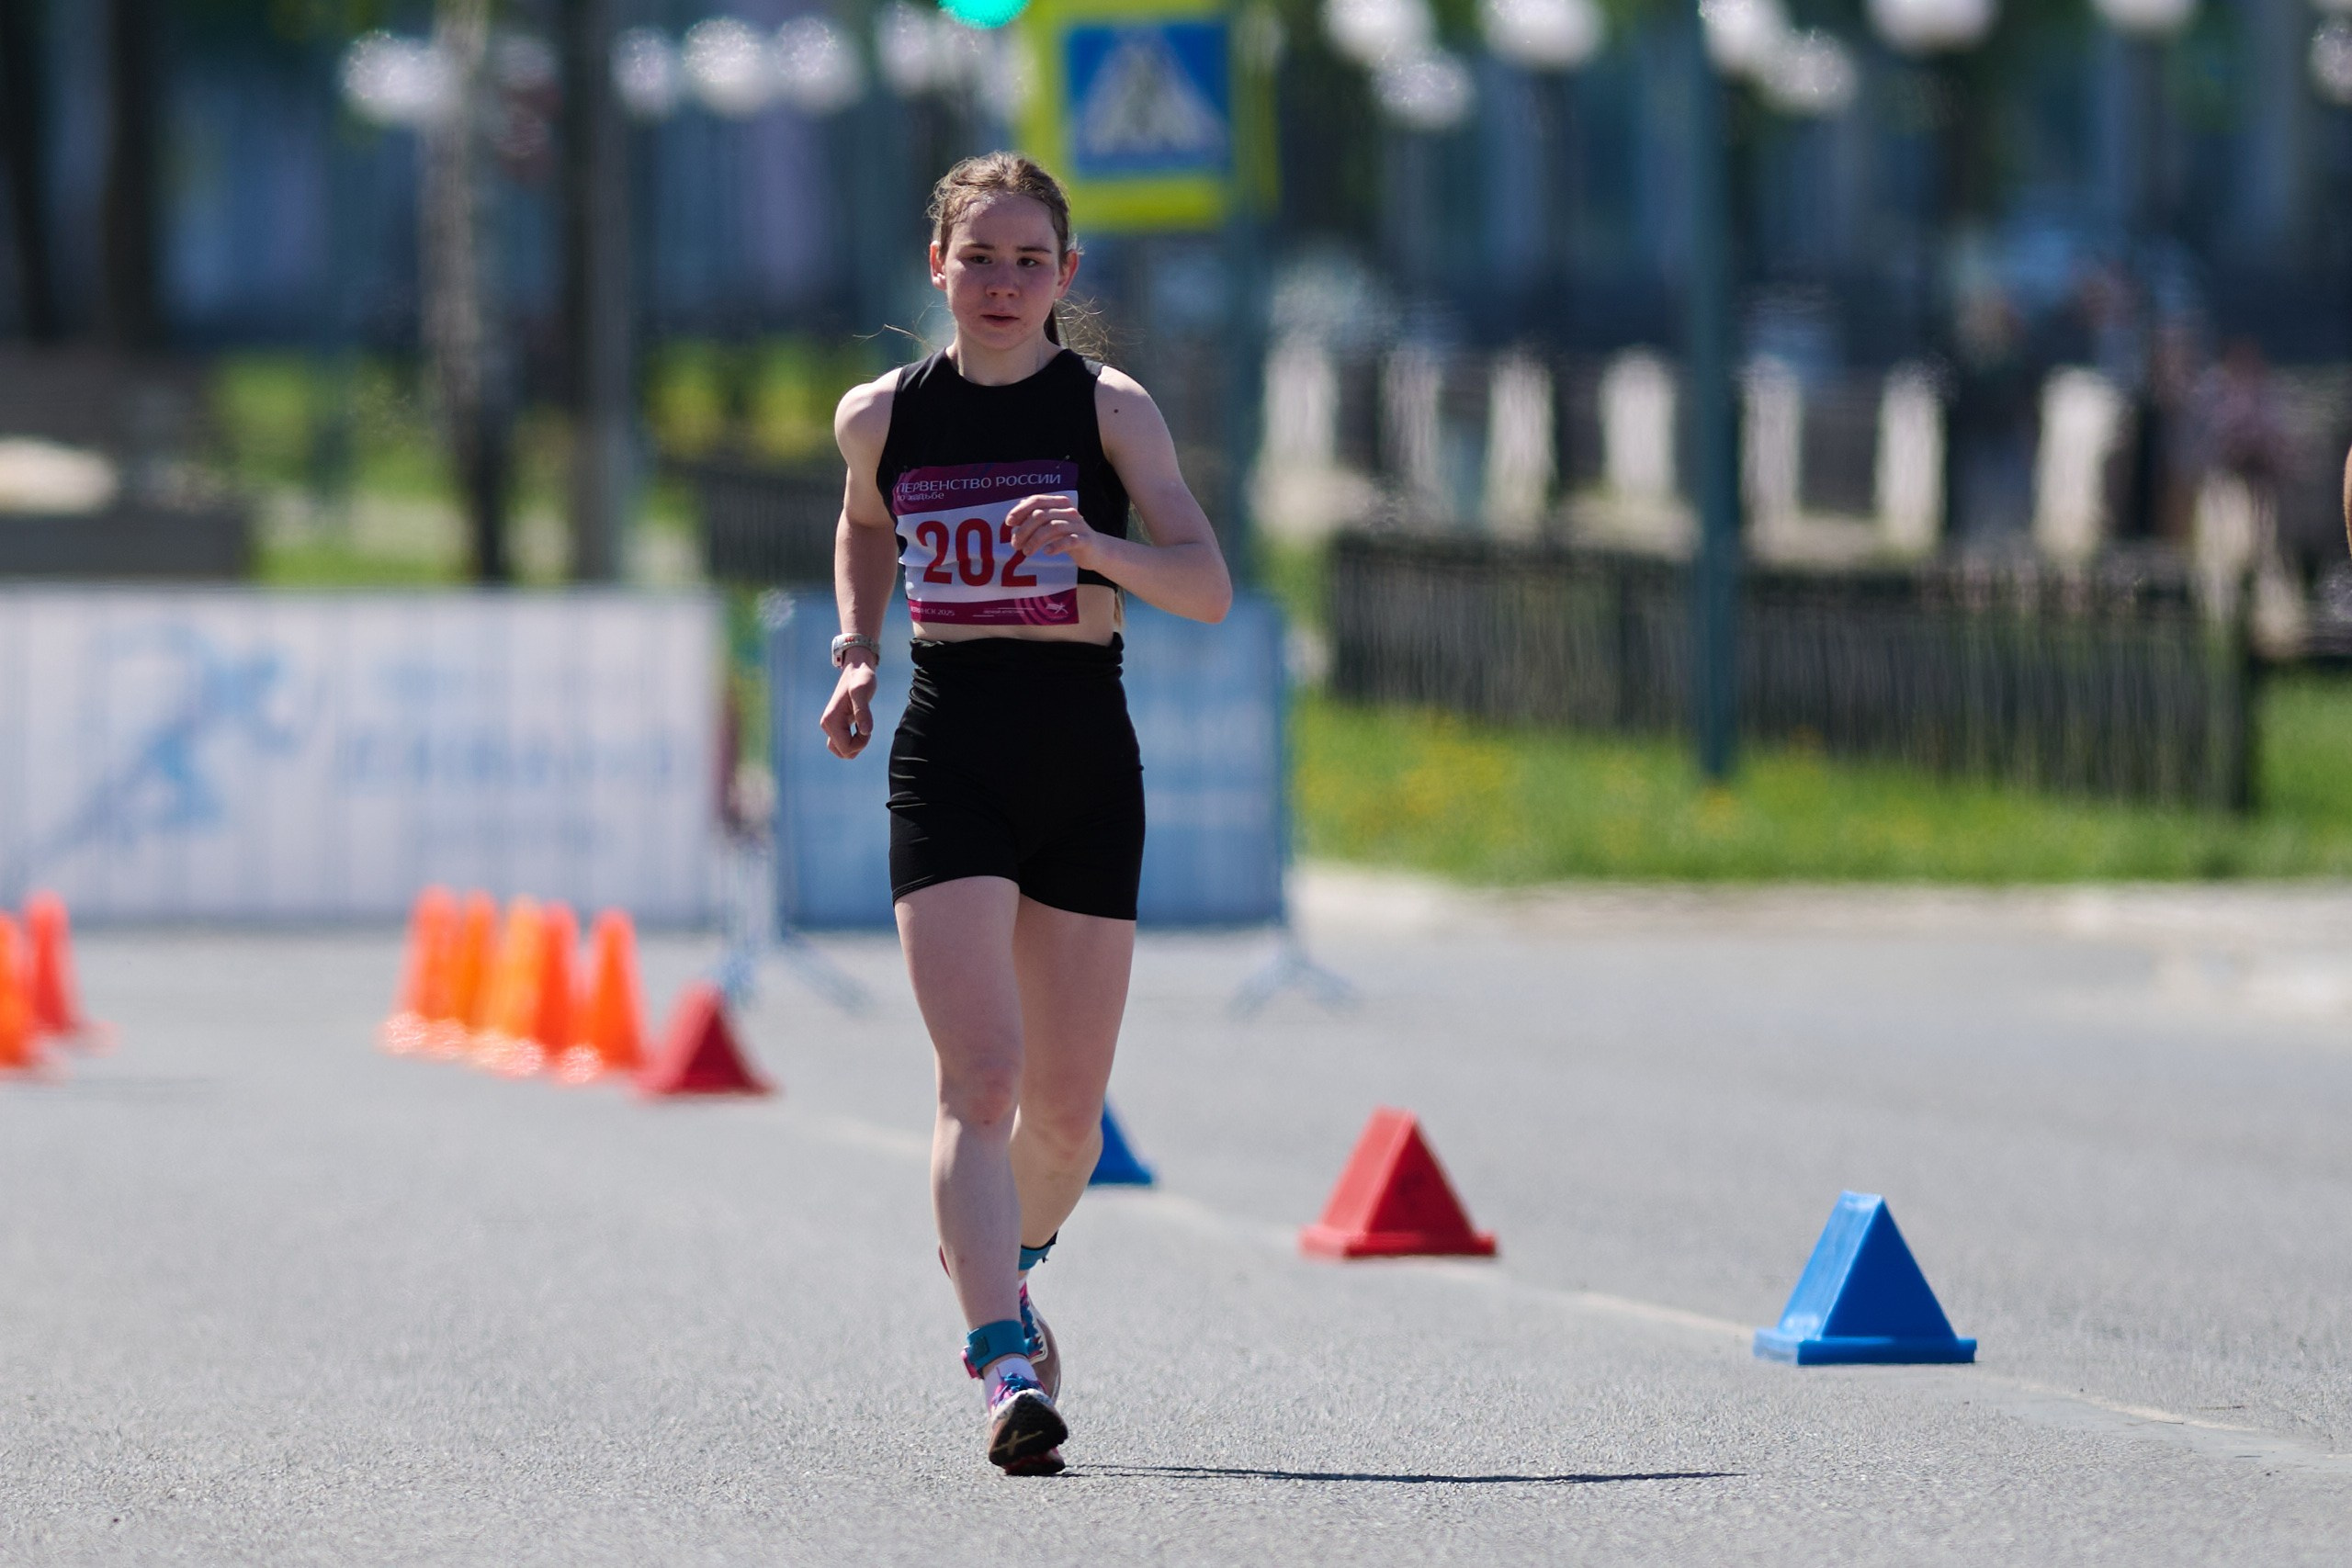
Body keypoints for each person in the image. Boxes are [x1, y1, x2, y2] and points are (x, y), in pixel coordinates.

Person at [819, 152, 1232, 1475]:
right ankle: (1001, 1362)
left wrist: (1099, 550)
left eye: (1028, 260)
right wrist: (856, 649)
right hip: (950, 750)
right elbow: (864, 526)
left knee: (1066, 1116)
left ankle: (1015, 1256)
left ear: (1067, 275)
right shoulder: (881, 416)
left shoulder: (1111, 411)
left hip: (1081, 754)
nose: (1001, 284)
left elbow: (1209, 585)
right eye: (977, 258)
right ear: (934, 266)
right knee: (979, 1079)